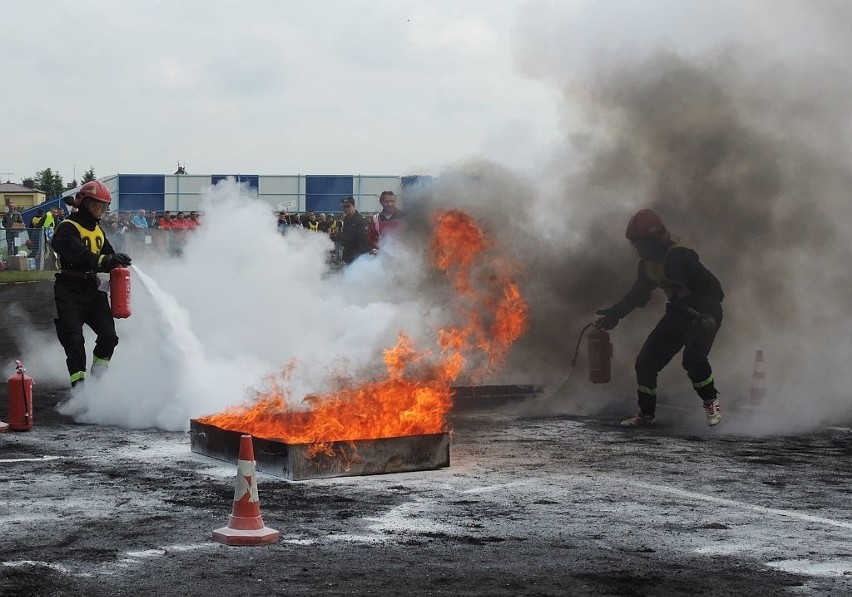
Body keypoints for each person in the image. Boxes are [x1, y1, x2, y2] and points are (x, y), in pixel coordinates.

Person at [595, 208, 724, 427]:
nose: (637, 248)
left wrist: (706, 315)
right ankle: (646, 415)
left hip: (704, 316)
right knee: (645, 364)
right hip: (678, 316)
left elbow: (715, 290)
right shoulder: (647, 265)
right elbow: (638, 294)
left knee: (693, 361)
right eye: (635, 244)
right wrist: (615, 315)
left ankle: (712, 404)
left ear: (655, 239)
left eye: (640, 243)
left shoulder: (679, 256)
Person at [51, 180, 132, 387]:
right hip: (68, 289)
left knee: (109, 337)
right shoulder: (67, 228)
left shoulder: (97, 231)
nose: (99, 211)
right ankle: (79, 388)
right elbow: (80, 255)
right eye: (95, 205)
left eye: (103, 207)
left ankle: (98, 382)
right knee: (74, 340)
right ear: (82, 203)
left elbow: (107, 256)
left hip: (93, 289)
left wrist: (117, 259)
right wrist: (107, 261)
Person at [338, 196, 370, 264]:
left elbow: (362, 240)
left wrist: (340, 235)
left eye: (348, 206)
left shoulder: (361, 220)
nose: (346, 209)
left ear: (354, 206)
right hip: (348, 255)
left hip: (358, 255)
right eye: (344, 207)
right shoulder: (345, 220)